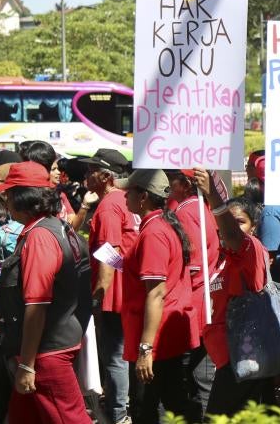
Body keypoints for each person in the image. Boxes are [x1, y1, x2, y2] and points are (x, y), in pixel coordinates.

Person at [0, 161, 91, 424]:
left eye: (10, 193)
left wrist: (27, 364)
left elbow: (37, 304)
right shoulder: (54, 226)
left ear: (23, 197)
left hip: (45, 354)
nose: (6, 198)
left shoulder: (40, 236)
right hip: (43, 348)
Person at [119, 168, 200, 423]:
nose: (124, 197)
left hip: (156, 337)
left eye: (129, 192)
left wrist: (146, 349)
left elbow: (156, 294)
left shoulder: (154, 231)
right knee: (171, 401)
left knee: (148, 407)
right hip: (160, 335)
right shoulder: (161, 225)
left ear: (143, 197)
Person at [192, 169, 271, 416]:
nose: (231, 228)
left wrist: (213, 196)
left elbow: (233, 235)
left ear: (254, 227)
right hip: (225, 356)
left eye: (241, 221)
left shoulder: (250, 249)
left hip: (242, 355)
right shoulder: (224, 256)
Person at [80, 148, 135, 424]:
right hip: (128, 290)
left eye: (92, 171)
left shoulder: (110, 205)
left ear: (106, 176)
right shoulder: (124, 200)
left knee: (115, 356)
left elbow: (110, 252)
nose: (86, 175)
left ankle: (119, 414)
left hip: (117, 294)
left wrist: (100, 295)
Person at [167, 170, 220, 419]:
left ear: (184, 184)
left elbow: (193, 264)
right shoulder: (199, 207)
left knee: (197, 376)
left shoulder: (188, 211)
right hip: (202, 298)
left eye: (172, 180)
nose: (168, 185)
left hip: (195, 301)